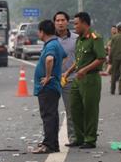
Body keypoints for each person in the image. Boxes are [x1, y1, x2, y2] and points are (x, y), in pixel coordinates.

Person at [62, 12, 106, 149]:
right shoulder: (79, 40)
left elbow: (101, 58)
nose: (74, 26)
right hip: (77, 78)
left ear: (85, 23)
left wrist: (85, 70)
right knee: (74, 107)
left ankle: (90, 139)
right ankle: (79, 138)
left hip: (90, 78)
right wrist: (69, 71)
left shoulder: (95, 38)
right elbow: (79, 60)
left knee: (90, 110)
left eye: (76, 23)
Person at [32, 20, 66, 154]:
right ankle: (53, 144)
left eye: (38, 31)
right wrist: (56, 72)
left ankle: (49, 145)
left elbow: (49, 59)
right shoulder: (56, 43)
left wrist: (47, 76)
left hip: (48, 87)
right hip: (53, 85)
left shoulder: (51, 45)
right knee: (52, 115)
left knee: (48, 116)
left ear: (42, 31)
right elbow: (63, 56)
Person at [53, 11, 77, 143]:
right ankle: (52, 139)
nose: (60, 23)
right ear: (54, 23)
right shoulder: (51, 39)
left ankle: (73, 137)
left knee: (71, 110)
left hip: (70, 78)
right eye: (58, 20)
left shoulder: (76, 38)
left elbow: (79, 59)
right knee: (51, 112)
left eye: (63, 20)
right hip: (53, 80)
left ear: (68, 22)